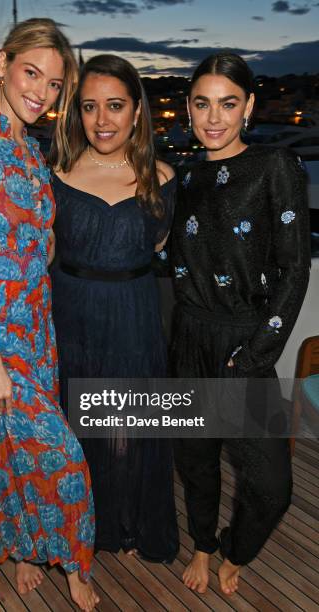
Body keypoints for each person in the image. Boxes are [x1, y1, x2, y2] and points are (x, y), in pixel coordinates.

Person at [0, 18, 99, 611]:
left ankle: (32, 552)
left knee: (19, 456)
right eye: (32, 73)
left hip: (33, 330)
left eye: (56, 84)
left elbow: (36, 240)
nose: (42, 91)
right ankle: (75, 565)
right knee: (57, 459)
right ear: (2, 63)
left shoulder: (33, 151)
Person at [171, 52, 311, 596]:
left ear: (248, 106)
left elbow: (296, 271)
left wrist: (255, 354)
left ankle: (235, 550)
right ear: (188, 107)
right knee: (197, 460)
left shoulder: (276, 167)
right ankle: (204, 544)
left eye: (227, 104)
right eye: (202, 104)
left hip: (246, 340)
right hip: (189, 336)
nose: (213, 118)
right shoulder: (182, 176)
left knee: (272, 484)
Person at [49, 54, 179, 561]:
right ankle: (88, 528)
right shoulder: (54, 173)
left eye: (115, 106)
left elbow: (162, 243)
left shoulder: (164, 179)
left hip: (133, 313)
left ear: (136, 111)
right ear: (75, 112)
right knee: (77, 426)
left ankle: (129, 524)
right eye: (89, 107)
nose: (102, 120)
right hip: (71, 313)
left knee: (128, 428)